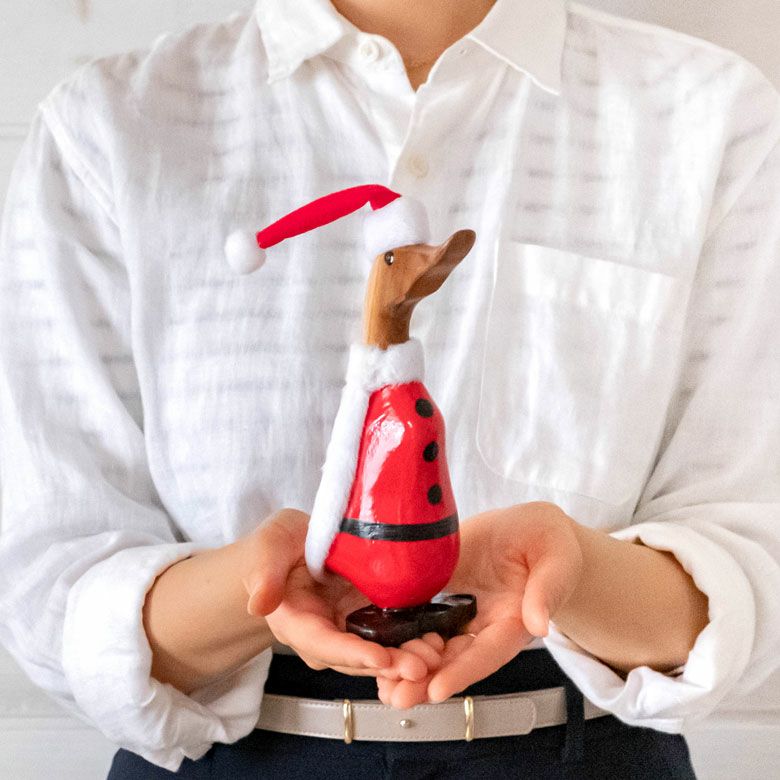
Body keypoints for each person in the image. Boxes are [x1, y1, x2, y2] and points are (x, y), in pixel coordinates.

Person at [0, 0, 778, 777]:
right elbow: (52, 586)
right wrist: (255, 587)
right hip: (224, 754)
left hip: (584, 751)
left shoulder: (708, 114)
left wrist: (575, 565)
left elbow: (752, 558)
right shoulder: (112, 126)